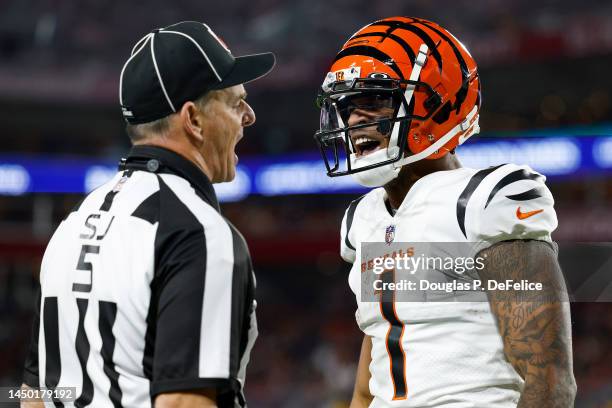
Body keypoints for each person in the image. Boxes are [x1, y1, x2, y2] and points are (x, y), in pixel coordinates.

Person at [314, 16, 576, 407]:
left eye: (372, 100)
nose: (353, 120)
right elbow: (369, 386)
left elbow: (549, 378)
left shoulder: (486, 200)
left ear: (435, 103)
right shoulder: (362, 220)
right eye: (348, 106)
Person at [21, 21, 274, 408]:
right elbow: (184, 403)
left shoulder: (71, 224)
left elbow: (35, 394)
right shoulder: (199, 234)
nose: (249, 115)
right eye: (234, 102)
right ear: (193, 119)